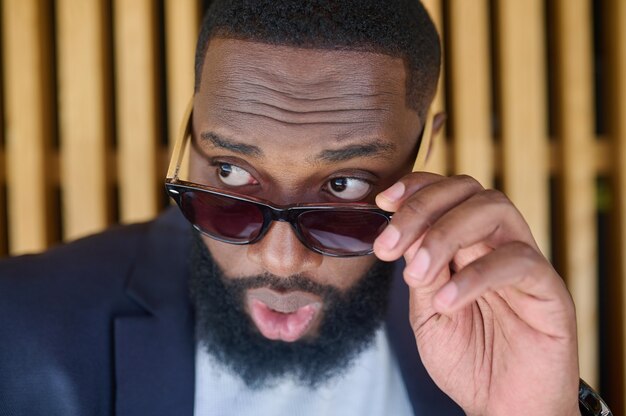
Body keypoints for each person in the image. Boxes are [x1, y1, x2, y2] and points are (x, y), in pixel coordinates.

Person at [0, 1, 612, 415]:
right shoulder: (21, 327)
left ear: (430, 148)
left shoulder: (489, 330)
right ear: (190, 140)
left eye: (344, 184)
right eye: (232, 172)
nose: (280, 256)